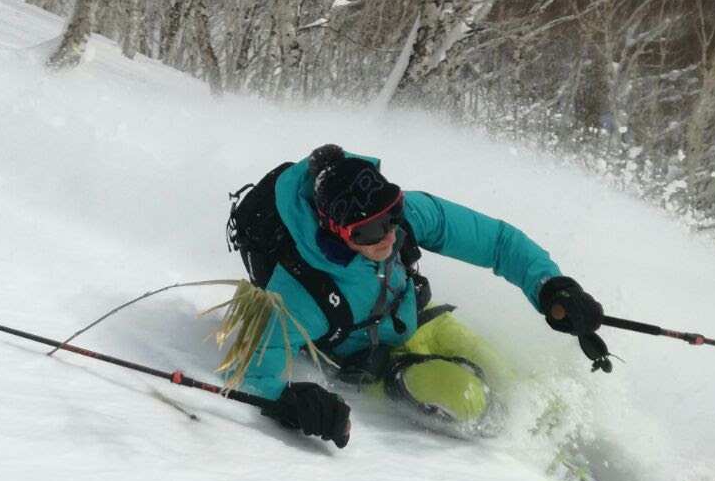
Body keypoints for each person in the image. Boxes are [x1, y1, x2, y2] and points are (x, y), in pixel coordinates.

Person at [229, 144, 610, 446]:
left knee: (518, 385)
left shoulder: (407, 217)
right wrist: (295, 404)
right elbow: (255, 375)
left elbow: (497, 242)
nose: (389, 235)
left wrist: (551, 287)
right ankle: (534, 462)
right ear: (335, 231)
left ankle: (572, 451)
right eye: (369, 232)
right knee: (466, 396)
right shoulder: (298, 291)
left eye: (391, 215)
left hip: (422, 323)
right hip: (372, 366)